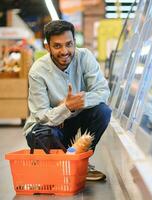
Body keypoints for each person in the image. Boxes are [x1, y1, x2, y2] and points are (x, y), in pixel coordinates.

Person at [23, 20, 112, 181]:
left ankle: (80, 162)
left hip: (73, 120)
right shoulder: (37, 71)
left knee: (102, 111)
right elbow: (41, 115)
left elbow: (103, 92)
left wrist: (74, 104)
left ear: (74, 43)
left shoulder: (84, 57)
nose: (65, 51)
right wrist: (65, 108)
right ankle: (64, 165)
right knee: (42, 135)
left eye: (69, 44)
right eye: (57, 46)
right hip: (50, 127)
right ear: (47, 47)